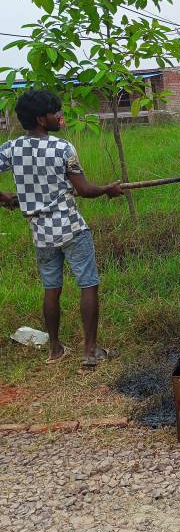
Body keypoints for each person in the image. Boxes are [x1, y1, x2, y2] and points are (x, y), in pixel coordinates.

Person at [0, 89, 124, 370]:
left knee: (51, 289)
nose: (60, 115)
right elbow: (85, 190)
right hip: (71, 228)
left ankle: (55, 349)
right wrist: (109, 189)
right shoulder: (62, 148)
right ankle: (90, 351)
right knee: (88, 284)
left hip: (41, 233)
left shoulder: (12, 148)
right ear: (40, 119)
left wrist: (4, 197)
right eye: (55, 112)